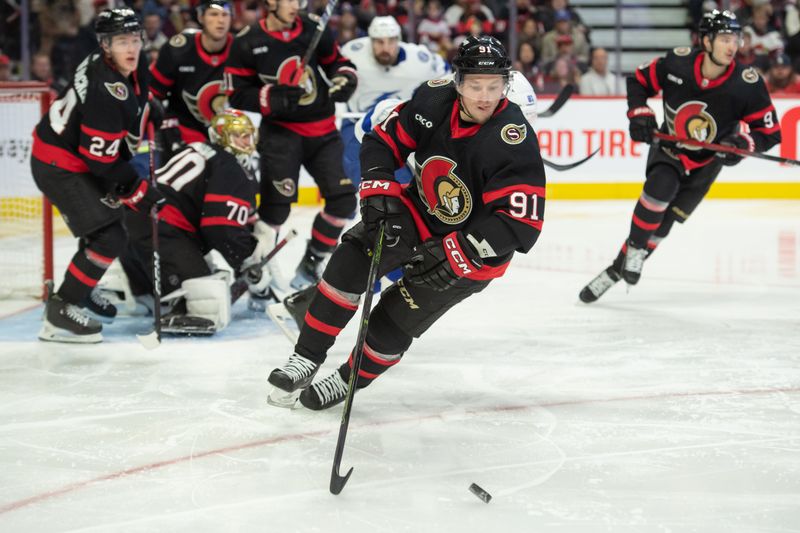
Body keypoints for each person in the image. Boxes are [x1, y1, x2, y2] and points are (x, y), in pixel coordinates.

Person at [267, 36, 547, 411]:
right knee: (353, 257)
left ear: (505, 86)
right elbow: (382, 142)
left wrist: (454, 251)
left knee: (395, 319)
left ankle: (346, 381)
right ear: (458, 81)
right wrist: (379, 189)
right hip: (422, 212)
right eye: (475, 85)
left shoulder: (513, 138)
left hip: (474, 251)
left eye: (494, 86)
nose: (484, 96)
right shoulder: (433, 99)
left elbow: (519, 223)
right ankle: (305, 357)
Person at [579, 10, 782, 303]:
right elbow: (638, 81)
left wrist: (743, 143)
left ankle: (613, 271)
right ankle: (635, 248)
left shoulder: (746, 84)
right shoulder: (678, 62)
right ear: (706, 41)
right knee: (658, 192)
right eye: (725, 38)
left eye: (735, 39)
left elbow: (770, 133)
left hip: (707, 163)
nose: (732, 46)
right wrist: (639, 114)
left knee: (664, 224)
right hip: (671, 150)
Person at [30, 8, 162, 343]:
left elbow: (138, 95)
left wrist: (147, 109)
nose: (131, 48)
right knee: (109, 236)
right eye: (121, 41)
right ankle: (60, 313)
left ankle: (83, 288)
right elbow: (100, 163)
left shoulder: (124, 63)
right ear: (105, 44)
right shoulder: (105, 88)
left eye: (134, 39)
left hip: (73, 157)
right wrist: (135, 189)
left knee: (108, 223)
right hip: (59, 165)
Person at [225, 0, 359, 291]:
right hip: (280, 134)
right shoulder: (248, 41)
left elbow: (338, 62)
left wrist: (344, 78)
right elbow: (235, 93)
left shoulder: (314, 28)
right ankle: (256, 272)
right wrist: (270, 98)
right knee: (276, 210)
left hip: (323, 131)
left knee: (344, 200)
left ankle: (313, 261)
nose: (296, 5)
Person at [119, 110, 274, 333]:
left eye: (247, 135)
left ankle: (145, 292)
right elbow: (220, 227)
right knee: (206, 303)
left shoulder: (196, 149)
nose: (245, 141)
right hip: (160, 232)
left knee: (202, 268)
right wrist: (246, 259)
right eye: (238, 135)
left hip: (131, 228)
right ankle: (178, 305)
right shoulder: (230, 165)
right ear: (222, 138)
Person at [340, 15, 448, 186]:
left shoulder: (420, 59)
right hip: (357, 123)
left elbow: (447, 80)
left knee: (407, 187)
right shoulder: (352, 53)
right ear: (370, 40)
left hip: (402, 126)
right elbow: (330, 73)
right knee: (366, 178)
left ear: (399, 40)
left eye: (391, 41)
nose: (385, 48)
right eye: (379, 42)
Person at [149, 0, 233, 145]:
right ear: (201, 17)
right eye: (213, 14)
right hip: (184, 135)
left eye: (225, 15)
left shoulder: (241, 50)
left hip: (230, 134)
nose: (220, 20)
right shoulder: (177, 50)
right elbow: (152, 94)